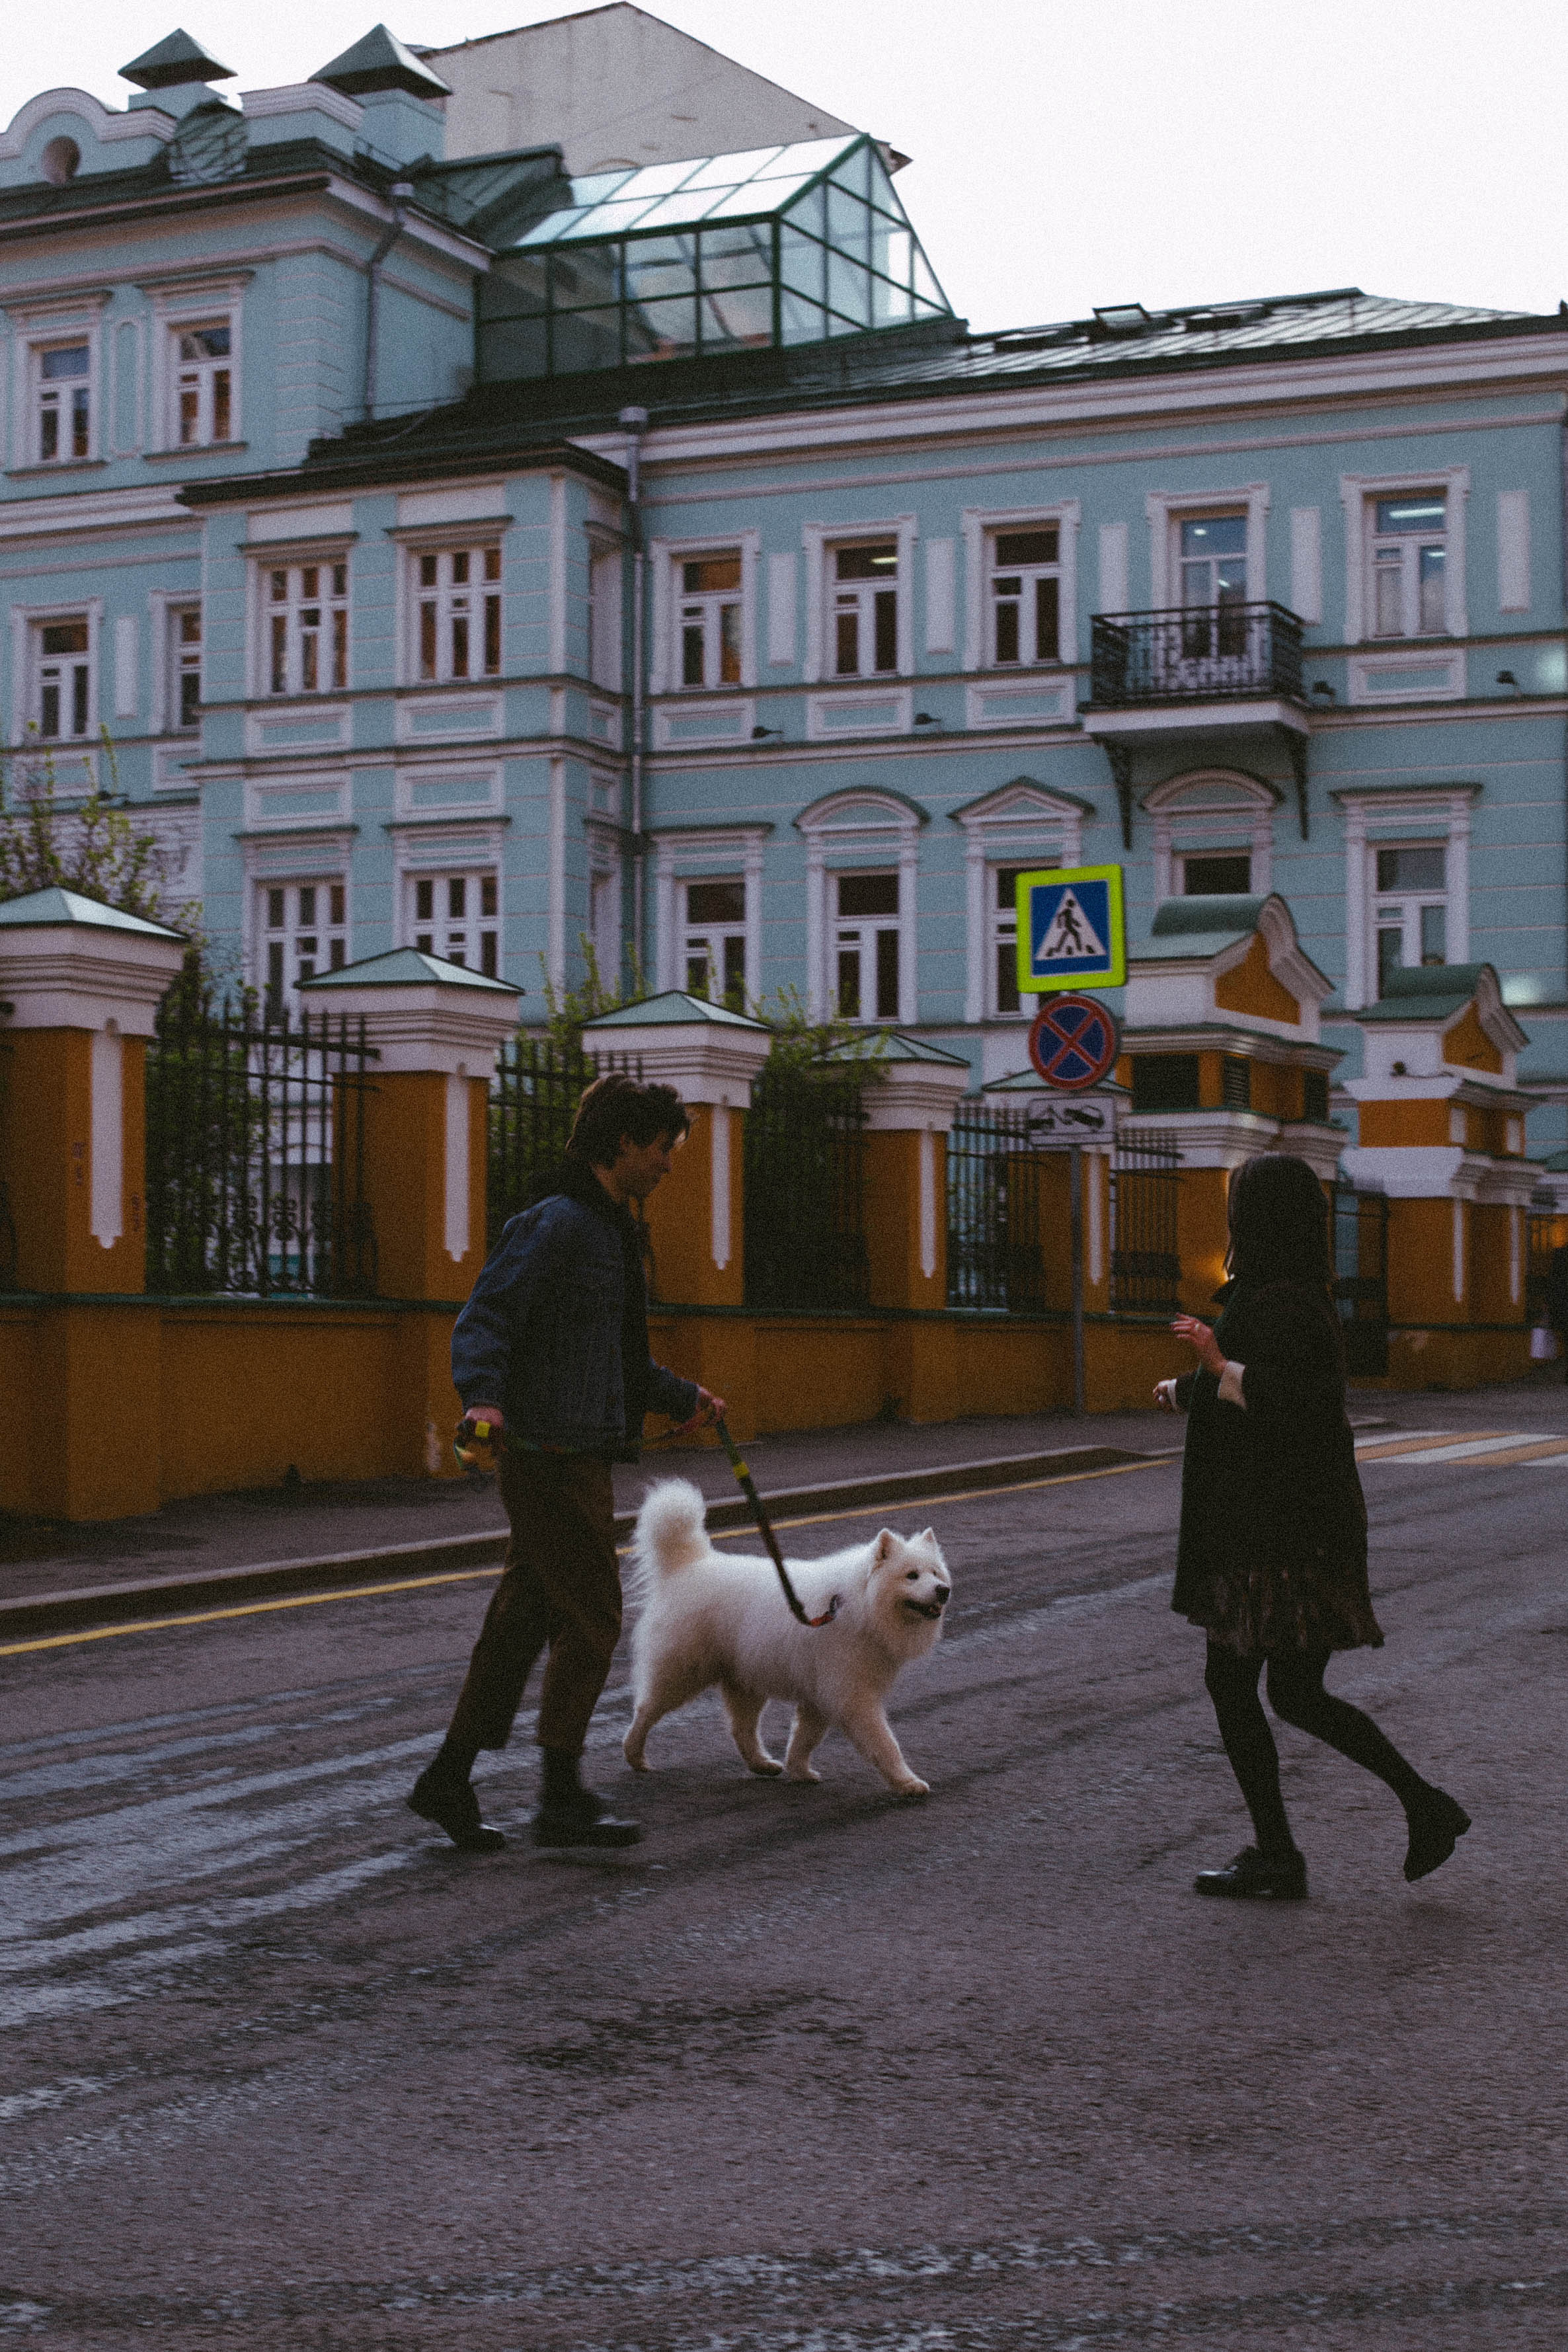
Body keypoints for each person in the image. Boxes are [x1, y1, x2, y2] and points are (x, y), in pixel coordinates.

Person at [408, 1073, 724, 1854]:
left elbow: (616, 1355)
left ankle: (447, 1779)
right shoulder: (554, 1222)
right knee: (592, 1616)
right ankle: (558, 1796)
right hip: (548, 1449)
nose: (667, 1165)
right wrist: (481, 1399)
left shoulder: (607, 1227)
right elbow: (486, 1314)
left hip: (577, 1443)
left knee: (522, 1621)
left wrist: (683, 1395)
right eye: (660, 1149)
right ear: (622, 1143)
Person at [1155, 1152, 1470, 1900]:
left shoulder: (1284, 1299)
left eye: (1238, 1204)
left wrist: (1211, 1358)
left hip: (1273, 1534)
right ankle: (1422, 1806)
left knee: (1234, 1683)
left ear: (1254, 1219)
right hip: (1292, 1526)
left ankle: (1279, 1853)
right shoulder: (1281, 1293)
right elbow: (1263, 1378)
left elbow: (1285, 1399)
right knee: (1293, 1692)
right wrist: (1188, 1386)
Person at [1547, 1240, 1568, 1385]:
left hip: (1562, 1307)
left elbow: (1553, 1283)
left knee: (1566, 1341)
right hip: (1562, 1305)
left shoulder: (1559, 1255)